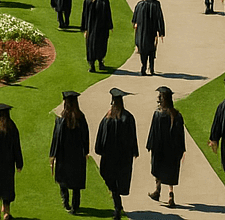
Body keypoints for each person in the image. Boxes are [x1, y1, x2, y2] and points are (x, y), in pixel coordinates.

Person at [95, 89, 139, 220]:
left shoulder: (108, 117)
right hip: (123, 157)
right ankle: (117, 204)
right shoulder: (128, 117)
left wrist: (100, 150)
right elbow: (132, 137)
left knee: (110, 179)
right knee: (119, 180)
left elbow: (101, 137)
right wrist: (134, 151)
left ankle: (117, 206)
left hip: (109, 157)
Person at [49, 91, 90, 214]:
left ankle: (65, 201)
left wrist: (53, 155)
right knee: (76, 182)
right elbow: (85, 136)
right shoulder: (80, 118)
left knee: (63, 179)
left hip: (63, 155)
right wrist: (86, 151)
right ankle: (75, 206)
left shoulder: (61, 119)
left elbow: (56, 138)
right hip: (77, 155)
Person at [145, 86, 185, 207]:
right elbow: (180, 136)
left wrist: (150, 145)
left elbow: (153, 132)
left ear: (163, 99)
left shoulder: (158, 114)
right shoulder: (177, 115)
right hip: (172, 150)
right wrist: (181, 150)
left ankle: (157, 191)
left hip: (159, 149)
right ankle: (170, 195)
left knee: (158, 169)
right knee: (170, 172)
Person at [80, 0, 114, 73]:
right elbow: (84, 15)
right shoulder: (88, 1)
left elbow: (108, 13)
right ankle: (92, 65)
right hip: (91, 28)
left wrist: (110, 26)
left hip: (102, 28)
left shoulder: (104, 0)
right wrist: (84, 29)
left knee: (102, 45)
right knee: (91, 46)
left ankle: (100, 61)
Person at [132, 0, 165, 76]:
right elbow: (160, 19)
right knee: (150, 50)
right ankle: (150, 68)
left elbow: (134, 22)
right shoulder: (155, 4)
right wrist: (161, 31)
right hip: (150, 31)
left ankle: (145, 67)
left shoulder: (140, 5)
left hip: (143, 32)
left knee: (145, 50)